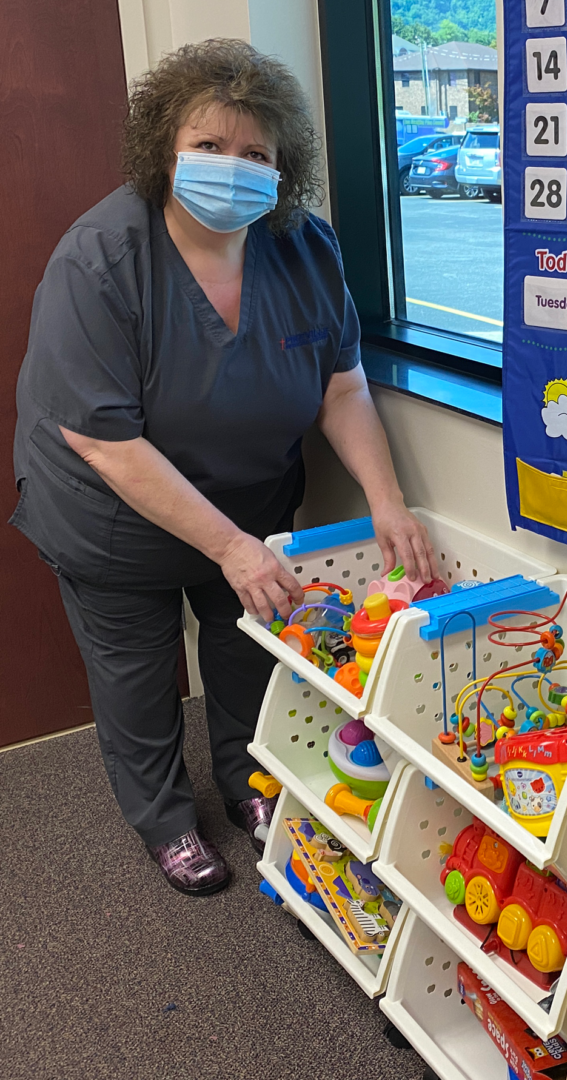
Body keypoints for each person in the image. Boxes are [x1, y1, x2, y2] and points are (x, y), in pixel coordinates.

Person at [9, 39, 437, 896]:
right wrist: (228, 546)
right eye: (208, 147)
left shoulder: (304, 247)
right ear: (163, 149)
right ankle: (165, 821)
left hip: (254, 501)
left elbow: (341, 383)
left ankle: (252, 785)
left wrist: (388, 501)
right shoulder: (100, 260)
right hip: (114, 515)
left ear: (284, 168)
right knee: (136, 673)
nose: (231, 168)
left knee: (246, 653)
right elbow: (105, 441)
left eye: (255, 155)